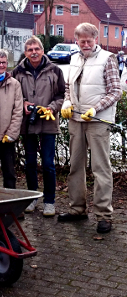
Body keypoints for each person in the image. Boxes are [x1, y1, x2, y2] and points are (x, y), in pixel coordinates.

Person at [59, 23, 122, 233]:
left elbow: (115, 92)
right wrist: (67, 103)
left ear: (96, 39)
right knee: (76, 167)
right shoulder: (74, 58)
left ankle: (104, 216)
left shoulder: (107, 59)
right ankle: (78, 210)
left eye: (89, 40)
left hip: (97, 121)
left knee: (100, 169)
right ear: (76, 40)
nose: (85, 44)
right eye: (81, 40)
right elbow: (68, 86)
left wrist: (95, 109)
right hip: (76, 120)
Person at [11, 36, 65, 217]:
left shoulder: (55, 70)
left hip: (48, 122)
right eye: (29, 49)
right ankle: (32, 197)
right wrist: (24, 103)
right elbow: (13, 94)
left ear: (43, 50)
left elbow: (61, 95)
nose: (34, 52)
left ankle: (49, 201)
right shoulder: (17, 71)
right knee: (30, 163)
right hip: (27, 123)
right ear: (25, 52)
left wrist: (52, 108)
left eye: (37, 49)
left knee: (49, 164)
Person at [0, 48, 23, 189]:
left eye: (4, 62)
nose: (1, 65)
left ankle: (10, 204)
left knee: (9, 172)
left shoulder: (14, 84)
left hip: (7, 135)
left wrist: (12, 133)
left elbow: (18, 111)